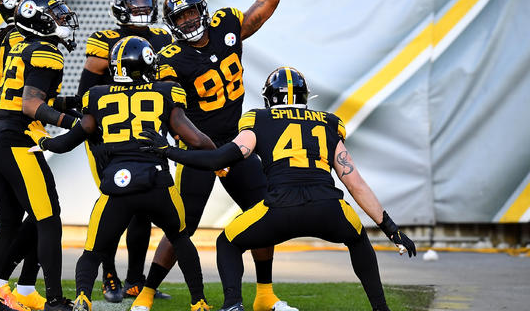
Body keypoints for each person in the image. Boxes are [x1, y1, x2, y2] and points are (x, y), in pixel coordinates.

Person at [139, 67, 418, 311]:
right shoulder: (328, 123)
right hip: (328, 209)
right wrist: (392, 230)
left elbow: (219, 158)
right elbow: (355, 183)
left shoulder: (258, 120)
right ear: (305, 96)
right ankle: (381, 308)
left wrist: (168, 151)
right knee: (358, 239)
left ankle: (232, 304)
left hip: (279, 209)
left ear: (268, 97)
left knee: (227, 241)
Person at [134, 0, 294, 310]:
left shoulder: (226, 25)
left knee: (260, 209)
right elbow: (175, 117)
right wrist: (210, 154)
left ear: (203, 11)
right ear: (172, 24)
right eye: (181, 16)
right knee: (183, 225)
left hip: (233, 141)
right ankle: (144, 296)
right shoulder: (171, 59)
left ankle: (265, 295)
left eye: (192, 12)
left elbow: (268, 0)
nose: (189, 19)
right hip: (197, 147)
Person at [24, 36, 215, 311]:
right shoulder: (166, 91)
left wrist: (43, 142)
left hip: (116, 187)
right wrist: (220, 157)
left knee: (92, 252)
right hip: (157, 183)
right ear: (149, 63)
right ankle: (199, 301)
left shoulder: (98, 96)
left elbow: (69, 142)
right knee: (181, 239)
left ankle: (83, 298)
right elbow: (196, 140)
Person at [0, 0, 79, 311]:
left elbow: (26, 98)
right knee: (48, 219)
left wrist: (73, 104)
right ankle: (55, 301)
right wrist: (73, 123)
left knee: (10, 224)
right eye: (58, 17)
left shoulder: (22, 47)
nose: (63, 22)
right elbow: (32, 104)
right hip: (17, 141)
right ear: (42, 22)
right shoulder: (46, 51)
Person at [76, 0, 173, 303]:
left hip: (145, 135)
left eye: (147, 2)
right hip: (110, 138)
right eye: (136, 3)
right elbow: (85, 95)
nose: (143, 8)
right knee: (116, 203)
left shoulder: (161, 37)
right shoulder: (104, 40)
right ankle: (108, 275)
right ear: (121, 8)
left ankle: (135, 280)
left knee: (143, 208)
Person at [0, 0, 50, 311]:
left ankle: (12, 287)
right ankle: (5, 286)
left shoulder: (10, 39)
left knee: (28, 216)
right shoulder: (25, 40)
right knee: (43, 214)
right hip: (18, 133)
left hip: (7, 129)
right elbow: (28, 97)